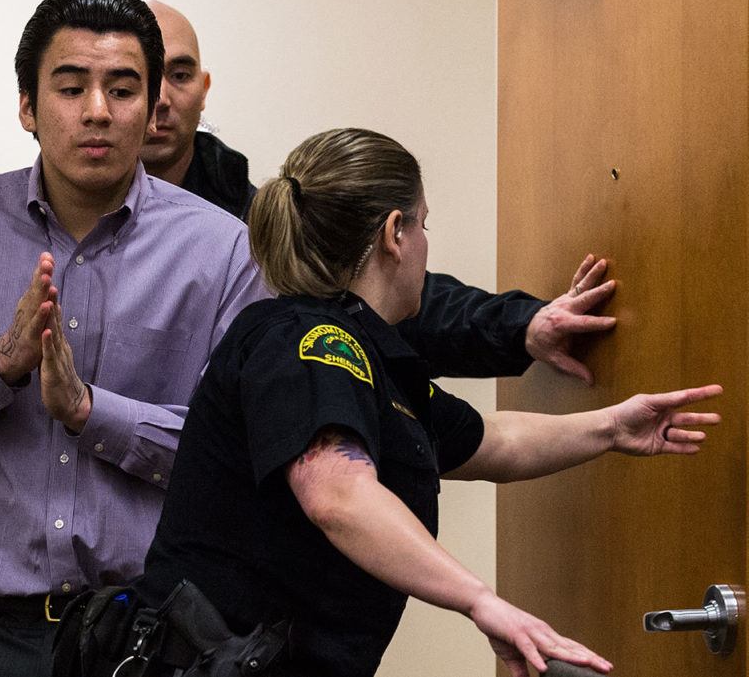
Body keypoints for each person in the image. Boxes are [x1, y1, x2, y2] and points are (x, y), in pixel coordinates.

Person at [103, 128, 721, 677]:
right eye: (423, 223)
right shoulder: (307, 342)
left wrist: (616, 425)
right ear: (394, 233)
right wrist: (482, 601)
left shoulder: (371, 356)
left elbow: (492, 443)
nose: (426, 244)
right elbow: (338, 495)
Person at [0, 0, 268, 677]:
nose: (97, 111)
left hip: (142, 640)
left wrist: (93, 413)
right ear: (27, 107)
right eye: (71, 87)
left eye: (123, 89)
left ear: (153, 101)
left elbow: (245, 459)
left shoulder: (225, 254)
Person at [139, 0, 617, 386]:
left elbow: (391, 290)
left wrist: (524, 326)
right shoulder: (66, 218)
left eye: (179, 75)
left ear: (204, 89)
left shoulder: (251, 219)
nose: (161, 98)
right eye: (139, 78)